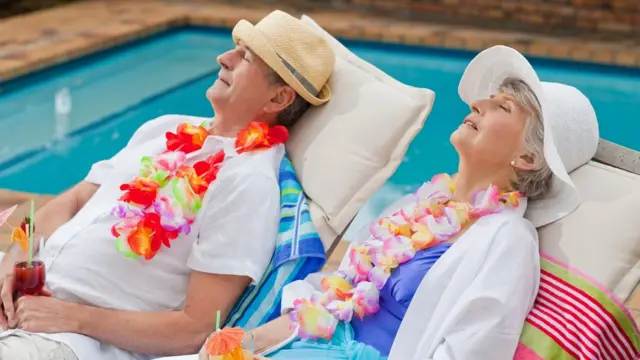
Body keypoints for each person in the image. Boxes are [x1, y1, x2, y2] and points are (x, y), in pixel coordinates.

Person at [205, 45, 599, 360]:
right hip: (307, 342)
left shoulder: (507, 240)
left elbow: (474, 349)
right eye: (488, 99)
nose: (478, 104)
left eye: (502, 107)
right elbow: (334, 297)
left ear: (528, 158)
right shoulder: (421, 205)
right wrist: (250, 341)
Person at [0, 10, 336, 360]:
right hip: (19, 299)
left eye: (245, 57)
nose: (224, 58)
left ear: (278, 99)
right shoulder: (165, 128)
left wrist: (73, 317)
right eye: (235, 48)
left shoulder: (247, 183)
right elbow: (75, 199)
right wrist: (13, 263)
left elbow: (195, 329)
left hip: (66, 339)